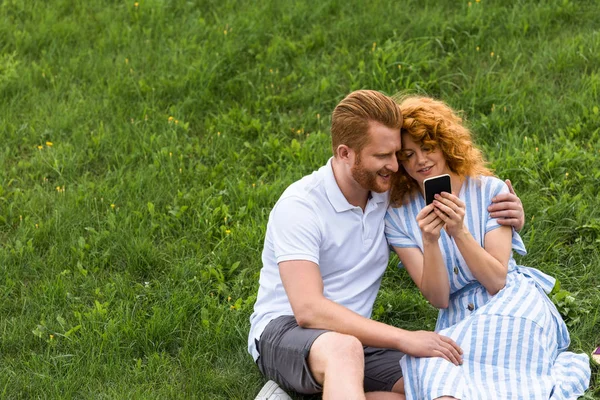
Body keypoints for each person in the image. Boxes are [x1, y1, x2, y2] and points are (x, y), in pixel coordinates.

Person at [248, 90, 525, 400]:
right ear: (345, 153)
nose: (395, 166)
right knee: (344, 350)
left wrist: (510, 213)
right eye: (382, 156)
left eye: (396, 154)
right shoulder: (300, 206)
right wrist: (405, 338)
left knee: (444, 382)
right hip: (285, 334)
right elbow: (309, 311)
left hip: (359, 336)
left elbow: (458, 187)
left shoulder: (387, 197)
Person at [385, 96, 591, 399]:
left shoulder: (489, 190)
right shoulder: (399, 216)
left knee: (476, 367)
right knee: (435, 369)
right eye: (408, 155)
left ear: (445, 144)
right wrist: (430, 241)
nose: (420, 161)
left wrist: (458, 231)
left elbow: (497, 280)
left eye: (427, 148)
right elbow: (439, 298)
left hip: (511, 302)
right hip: (457, 317)